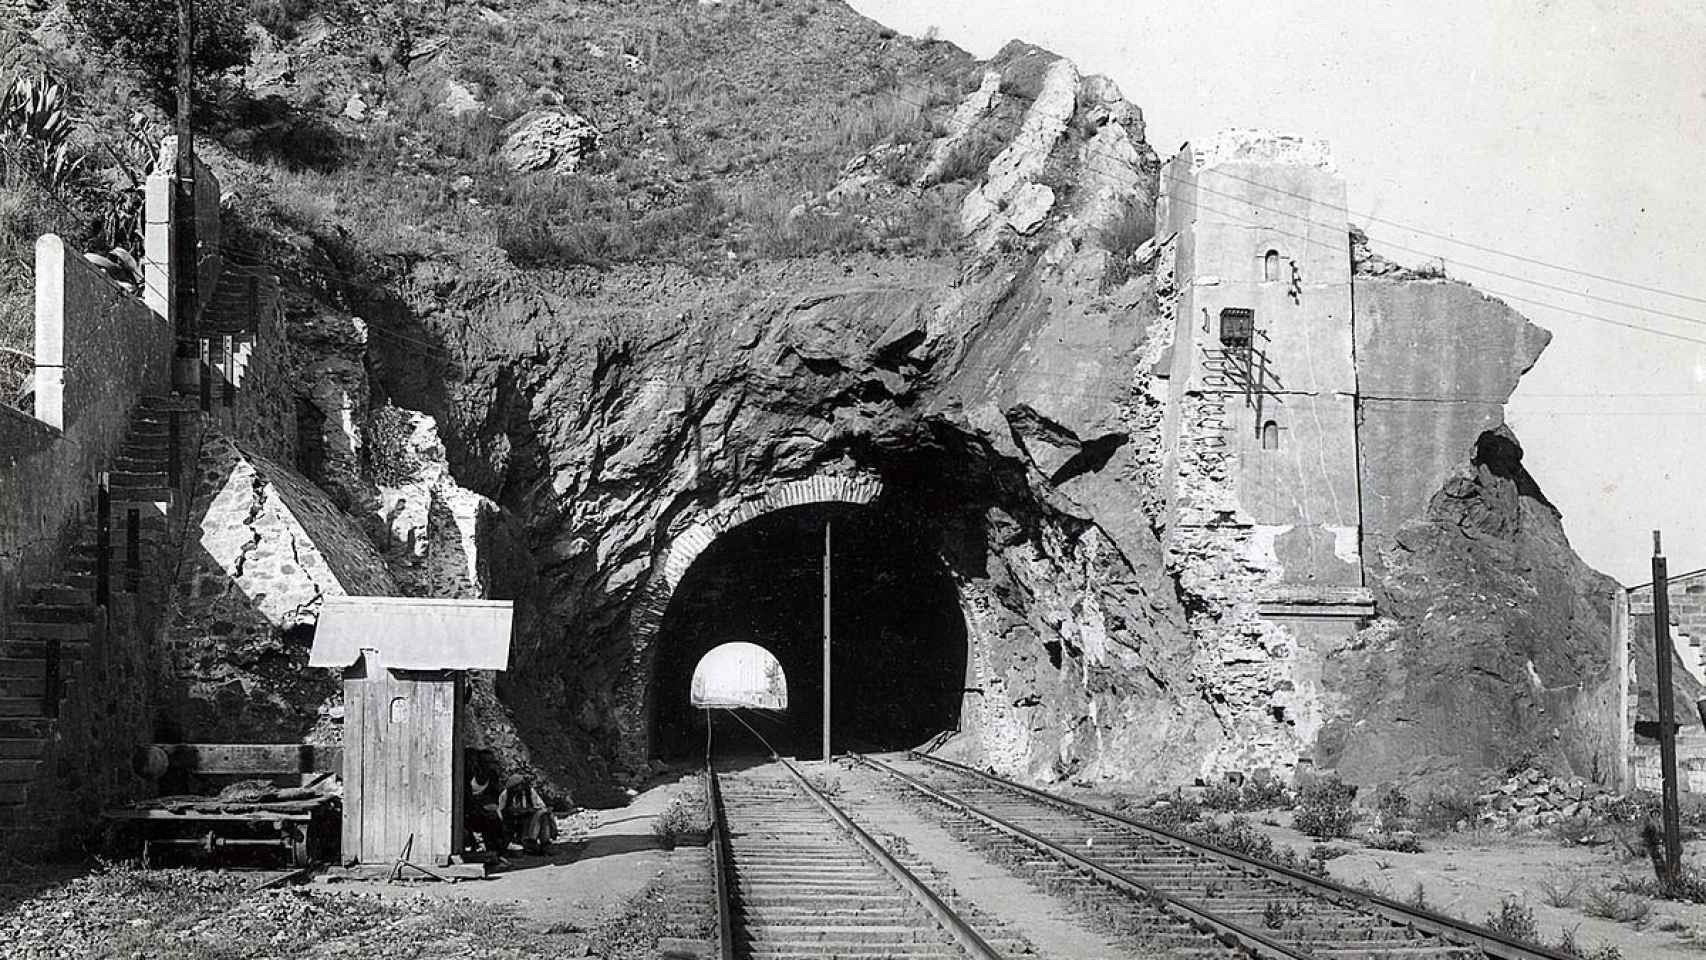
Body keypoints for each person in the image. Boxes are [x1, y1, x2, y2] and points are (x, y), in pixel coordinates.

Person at [498, 773, 559, 854]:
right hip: (513, 821)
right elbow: (500, 811)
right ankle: (531, 841)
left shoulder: (529, 792)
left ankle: (543, 843)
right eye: (516, 787)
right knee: (541, 815)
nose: (519, 788)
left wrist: (528, 810)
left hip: (529, 818)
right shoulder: (505, 795)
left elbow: (541, 806)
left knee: (543, 815)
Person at [465, 754, 509, 863]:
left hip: (488, 808)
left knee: (495, 821)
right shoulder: (468, 775)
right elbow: (465, 797)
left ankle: (497, 852)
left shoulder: (492, 776)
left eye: (492, 762)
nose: (490, 765)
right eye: (487, 762)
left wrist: (494, 807)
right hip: (472, 809)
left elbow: (496, 795)